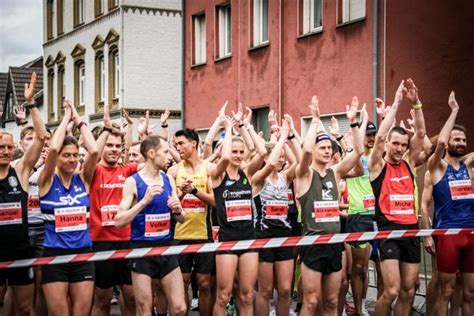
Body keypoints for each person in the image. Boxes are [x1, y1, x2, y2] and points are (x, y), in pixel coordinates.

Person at [296, 95, 365, 316]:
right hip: (313, 244)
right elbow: (305, 152)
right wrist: (315, 121)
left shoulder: (335, 173)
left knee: (333, 301)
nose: (327, 151)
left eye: (329, 148)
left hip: (334, 243)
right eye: (322, 147)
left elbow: (359, 152)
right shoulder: (305, 173)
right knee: (311, 301)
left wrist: (353, 122)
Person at [368, 79, 427, 316]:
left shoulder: (409, 164)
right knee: (391, 290)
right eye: (396, 144)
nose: (400, 148)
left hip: (411, 231)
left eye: (403, 144)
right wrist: (396, 104)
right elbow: (380, 138)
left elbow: (421, 133)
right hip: (388, 232)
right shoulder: (377, 165)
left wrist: (417, 103)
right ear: (388, 145)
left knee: (409, 290)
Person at [38, 100, 98, 316]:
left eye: (75, 155)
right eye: (67, 155)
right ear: (57, 159)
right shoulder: (46, 181)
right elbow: (53, 147)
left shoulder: (84, 179)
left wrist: (79, 120)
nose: (73, 160)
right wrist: (65, 118)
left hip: (83, 255)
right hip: (55, 257)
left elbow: (94, 152)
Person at [115, 135, 187, 316]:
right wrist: (143, 202)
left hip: (166, 248)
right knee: (144, 310)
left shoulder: (168, 179)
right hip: (141, 251)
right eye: (165, 152)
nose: (169, 156)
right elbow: (118, 221)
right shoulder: (132, 182)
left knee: (180, 308)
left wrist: (178, 210)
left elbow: (181, 219)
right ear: (152, 153)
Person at [0, 72, 46, 316]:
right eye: (1, 148)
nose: (6, 152)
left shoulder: (20, 170)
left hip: (20, 250)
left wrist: (31, 104)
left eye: (9, 147)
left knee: (25, 309)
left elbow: (40, 137)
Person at [424, 91, 474, 315]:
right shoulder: (437, 168)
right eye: (457, 139)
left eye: (464, 140)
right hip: (448, 235)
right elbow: (441, 141)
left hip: (471, 234)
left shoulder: (469, 168)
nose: (461, 143)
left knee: (470, 292)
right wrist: (454, 110)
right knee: (446, 290)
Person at [210, 104, 261, 316]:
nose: (238, 156)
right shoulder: (217, 174)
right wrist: (227, 129)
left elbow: (261, 151)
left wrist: (244, 126)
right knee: (223, 295)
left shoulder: (247, 173)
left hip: (248, 237)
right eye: (234, 151)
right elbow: (224, 159)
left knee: (247, 294)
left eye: (241, 152)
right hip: (227, 238)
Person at [89, 105, 137, 316]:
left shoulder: (127, 170)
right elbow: (92, 154)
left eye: (117, 146)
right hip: (100, 242)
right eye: (109, 145)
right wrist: (107, 129)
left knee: (132, 297)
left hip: (126, 240)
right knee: (103, 299)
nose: (115, 149)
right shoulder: (92, 170)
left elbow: (147, 159)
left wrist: (132, 129)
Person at [252, 118, 298, 316]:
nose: (281, 160)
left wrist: (286, 138)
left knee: (286, 289)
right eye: (278, 156)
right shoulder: (257, 179)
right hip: (263, 237)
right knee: (265, 291)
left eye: (281, 157)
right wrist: (280, 139)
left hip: (284, 237)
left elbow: (298, 161)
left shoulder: (285, 178)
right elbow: (270, 164)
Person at [167, 128, 215, 316]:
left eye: (181, 143)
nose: (177, 147)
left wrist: (194, 190)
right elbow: (170, 202)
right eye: (175, 144)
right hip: (180, 235)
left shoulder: (208, 168)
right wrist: (182, 193)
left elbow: (214, 201)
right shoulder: (173, 171)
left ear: (193, 144)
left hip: (204, 234)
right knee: (183, 282)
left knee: (204, 284)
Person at [345, 120, 378, 315]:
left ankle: (365, 305)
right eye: (368, 134)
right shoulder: (352, 156)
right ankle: (358, 309)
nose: (371, 138)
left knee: (372, 267)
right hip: (358, 215)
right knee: (359, 267)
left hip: (378, 215)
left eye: (373, 134)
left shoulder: (378, 157)